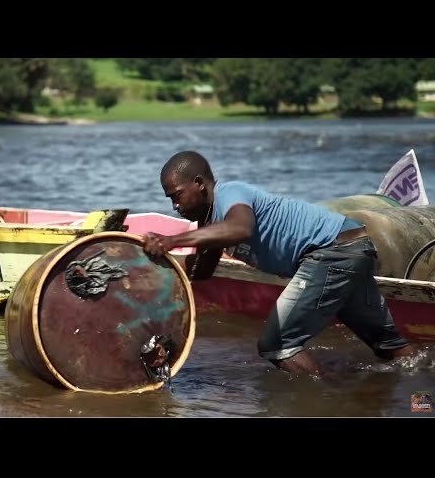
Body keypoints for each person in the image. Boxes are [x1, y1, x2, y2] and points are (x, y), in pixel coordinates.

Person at [141, 150, 416, 376]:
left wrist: (171, 240)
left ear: (199, 183)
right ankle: (422, 399)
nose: (174, 206)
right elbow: (201, 272)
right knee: (392, 350)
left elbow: (241, 228)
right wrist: (150, 278)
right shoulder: (210, 223)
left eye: (176, 195)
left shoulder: (230, 194)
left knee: (277, 344)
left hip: (331, 252)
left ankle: (327, 402)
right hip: (350, 250)